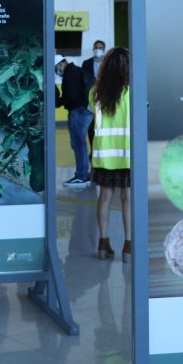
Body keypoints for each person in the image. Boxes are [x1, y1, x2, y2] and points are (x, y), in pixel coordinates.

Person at [90, 46, 130, 262]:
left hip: (104, 156)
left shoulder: (95, 93)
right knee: (128, 199)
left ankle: (103, 243)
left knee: (104, 197)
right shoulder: (133, 92)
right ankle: (129, 246)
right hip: (127, 155)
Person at [55, 55, 92, 189]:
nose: (56, 72)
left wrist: (57, 101)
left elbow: (71, 97)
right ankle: (84, 174)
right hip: (85, 110)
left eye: (55, 68)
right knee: (80, 143)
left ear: (61, 64)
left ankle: (81, 176)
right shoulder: (77, 70)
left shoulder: (70, 74)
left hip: (78, 111)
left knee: (78, 144)